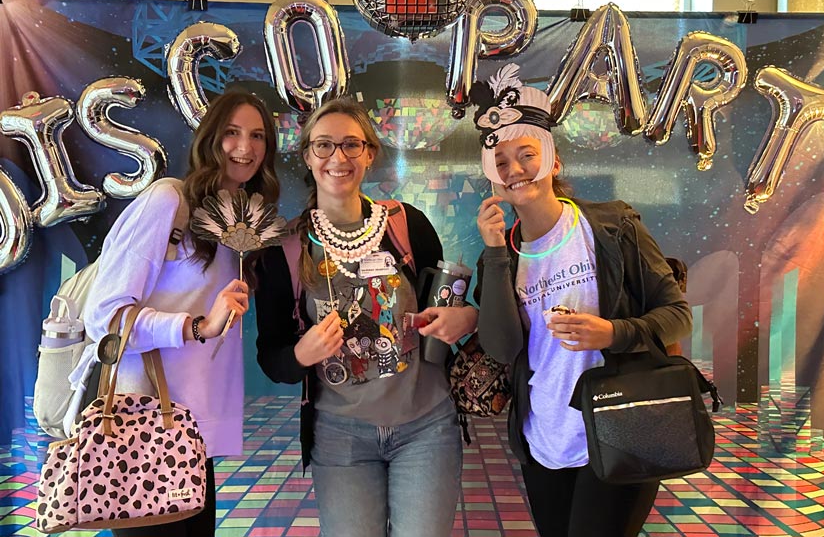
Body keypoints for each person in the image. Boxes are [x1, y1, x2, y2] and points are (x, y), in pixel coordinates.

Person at [472, 65, 692, 537]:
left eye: (526, 154)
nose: (515, 170)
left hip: (622, 429)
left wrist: (612, 332)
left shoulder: (613, 228)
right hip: (544, 440)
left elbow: (676, 316)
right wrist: (492, 253)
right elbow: (501, 347)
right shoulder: (504, 256)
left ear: (553, 161)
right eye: (502, 161)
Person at [254, 98, 477, 537]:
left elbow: (447, 309)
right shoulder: (284, 251)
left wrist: (466, 318)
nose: (338, 157)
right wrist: (300, 354)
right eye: (323, 145)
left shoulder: (405, 224)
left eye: (351, 145)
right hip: (341, 438)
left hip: (426, 427)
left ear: (370, 153)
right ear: (307, 155)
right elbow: (271, 356)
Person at [83, 90, 280, 537]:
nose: (244, 148)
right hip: (145, 429)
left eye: (257, 136)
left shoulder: (242, 222)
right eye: (231, 133)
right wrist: (195, 326)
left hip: (193, 437)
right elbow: (106, 318)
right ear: (210, 138)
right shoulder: (169, 201)